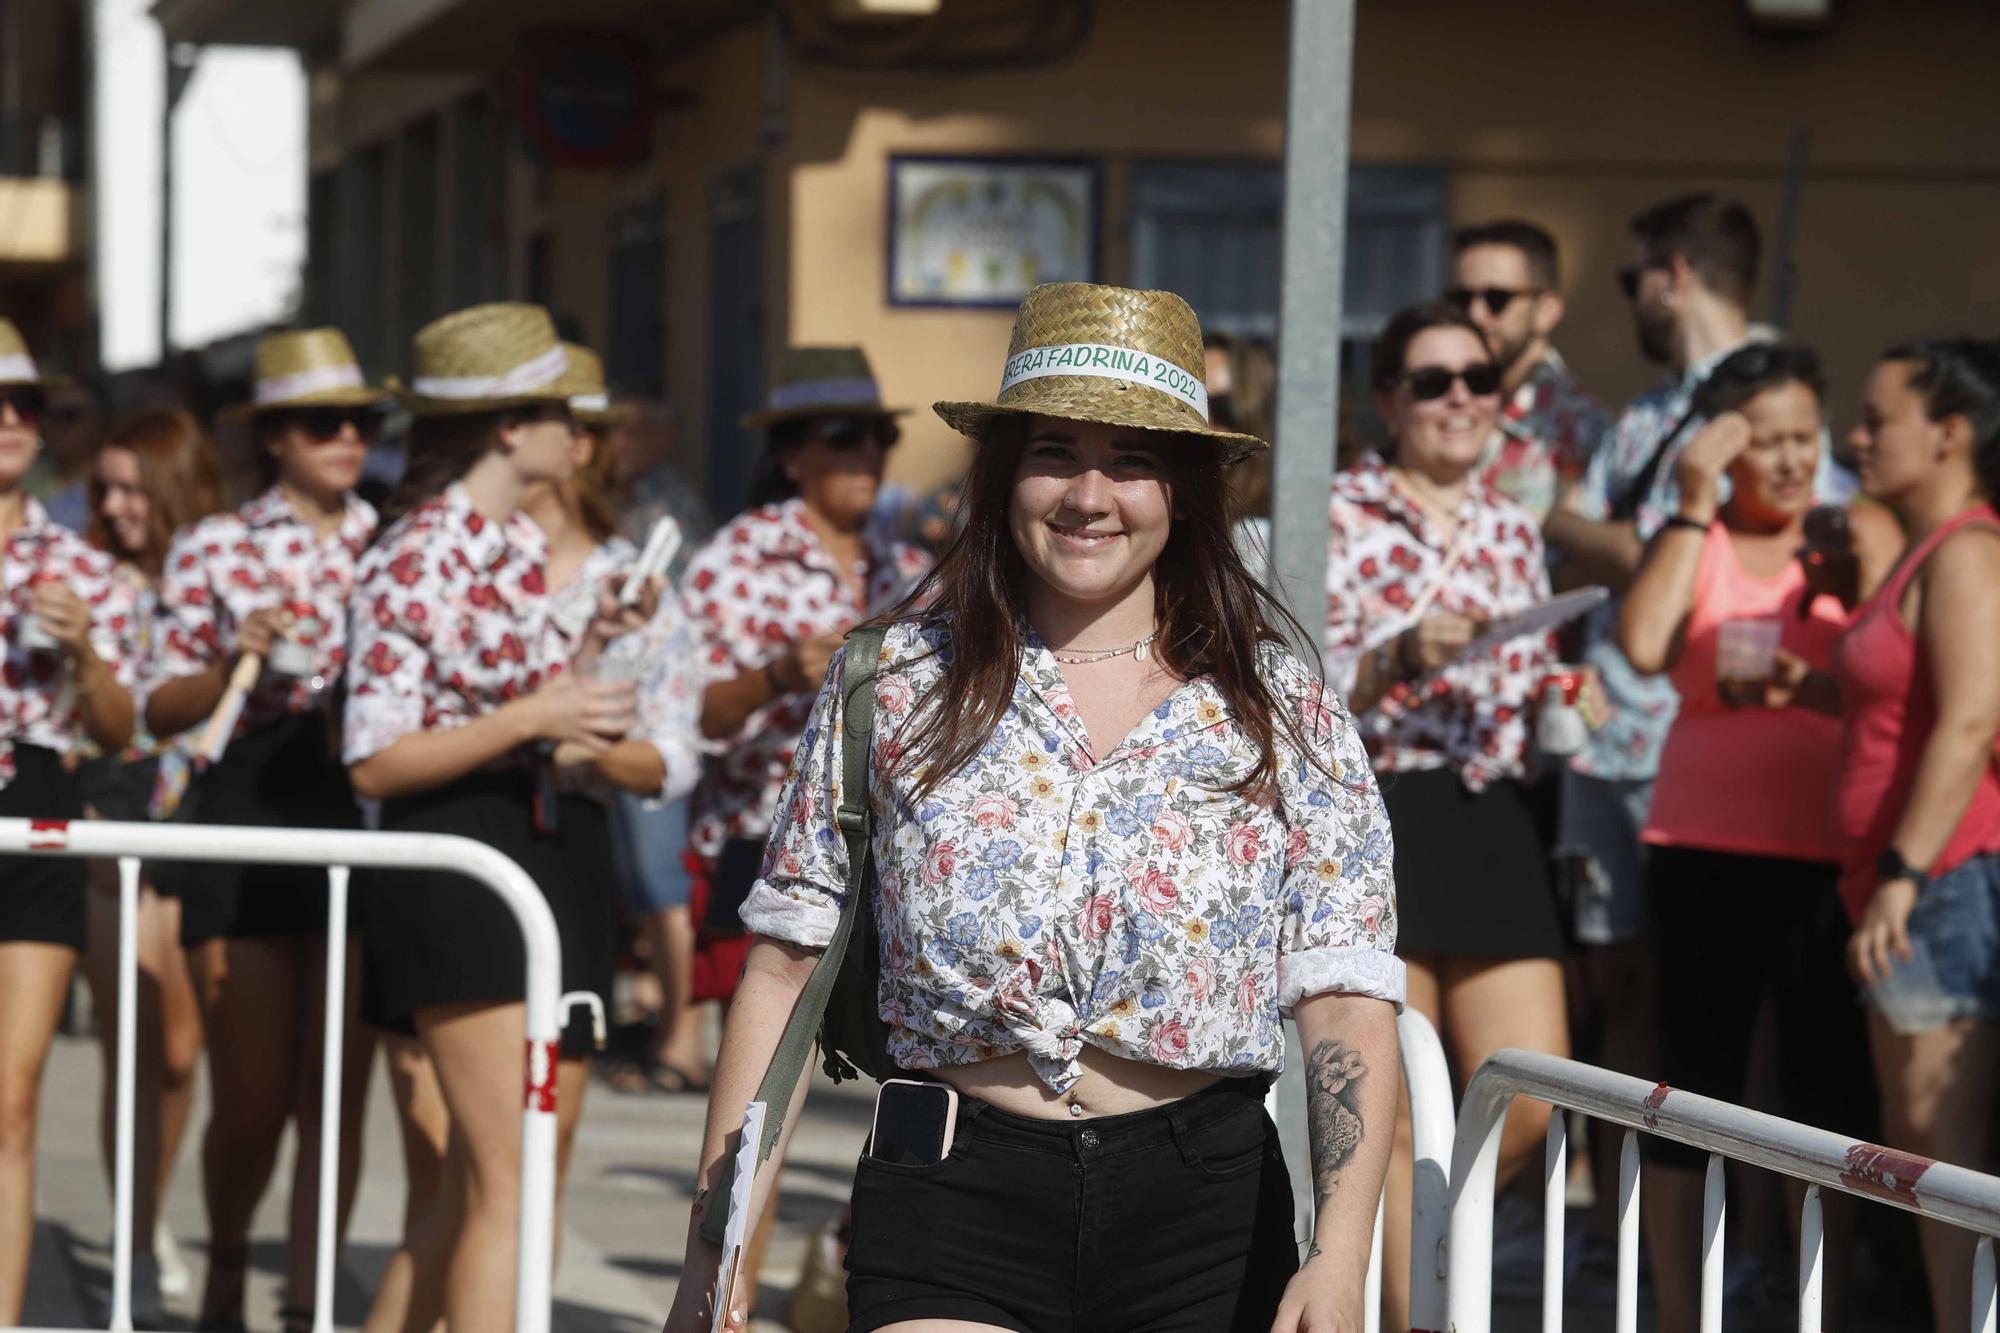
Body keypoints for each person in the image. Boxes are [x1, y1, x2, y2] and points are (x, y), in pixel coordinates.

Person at [665, 281, 1404, 1333]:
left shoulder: (1278, 704)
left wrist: (1337, 1262)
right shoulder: (893, 678)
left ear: (1186, 490)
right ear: (1004, 471)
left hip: (1205, 1216)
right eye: (1054, 450)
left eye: (1133, 459)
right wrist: (717, 1247)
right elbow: (783, 971)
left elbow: (1342, 1000)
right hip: (947, 1196)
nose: (1088, 494)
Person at [343, 304, 644, 1331]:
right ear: (509, 425)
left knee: (483, 1186)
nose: (582, 427)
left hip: (524, 842)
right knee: (502, 1182)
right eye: (562, 406)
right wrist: (539, 710)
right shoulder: (414, 552)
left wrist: (590, 651)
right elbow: (377, 756)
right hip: (454, 860)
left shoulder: (510, 543)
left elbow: (526, 708)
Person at [1616, 344, 1887, 1333]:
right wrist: (1691, 497)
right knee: (1694, 1085)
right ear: (1722, 449)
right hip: (1699, 839)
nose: (1786, 460)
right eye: (1761, 440)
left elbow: (1900, 669)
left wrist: (1807, 684)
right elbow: (1644, 647)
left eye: (1802, 438)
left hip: (1828, 846)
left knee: (1826, 1091)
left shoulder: (1852, 528)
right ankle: (1682, 1311)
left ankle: (1815, 1300)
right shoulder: (1703, 532)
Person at [1322, 300, 1564, 1331]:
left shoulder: (1513, 523)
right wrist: (1394, 659)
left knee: (1535, 1097)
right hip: (1382, 803)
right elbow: (1293, 684)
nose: (1461, 397)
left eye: (1479, 378)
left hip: (1493, 811)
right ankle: (1415, 1314)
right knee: (1400, 1106)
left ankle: (1428, 1253)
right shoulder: (1333, 510)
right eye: (1432, 380)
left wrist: (1569, 700)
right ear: (1387, 400)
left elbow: (1533, 682)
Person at [142, 328, 387, 1332]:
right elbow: (160, 704)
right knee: (248, 1097)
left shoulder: (393, 540)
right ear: (274, 436)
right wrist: (231, 659)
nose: (347, 437)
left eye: (363, 421)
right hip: (244, 802)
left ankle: (308, 1302)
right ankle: (229, 1258)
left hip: (356, 803)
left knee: (336, 1093)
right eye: (323, 421)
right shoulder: (216, 543)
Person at [1768, 339, 2000, 1333]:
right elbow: (1902, 704)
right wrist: (1814, 681)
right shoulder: (1920, 546)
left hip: (1938, 878)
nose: (1854, 437)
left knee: (1942, 1152)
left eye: (1875, 418)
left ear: (1948, 432)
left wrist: (1903, 872)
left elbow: (1967, 718)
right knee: (1917, 1143)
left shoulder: (1965, 549)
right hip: (1894, 880)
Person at [1539, 194, 1764, 1140]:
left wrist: (1597, 531)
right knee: (1615, 977)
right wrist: (1623, 536)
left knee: (1717, 992)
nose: (1630, 299)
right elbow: (1569, 536)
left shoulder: (1771, 393)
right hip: (1602, 733)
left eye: (1634, 280)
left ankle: (1744, 1238)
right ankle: (1621, 1215)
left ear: (1674, 275)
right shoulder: (1648, 415)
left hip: (1704, 746)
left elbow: (1674, 555)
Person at [678, 346, 932, 1027]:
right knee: (763, 1063)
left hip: (884, 858)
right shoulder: (735, 559)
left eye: (882, 436)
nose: (869, 455)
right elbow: (686, 717)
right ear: (791, 455)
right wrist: (781, 674)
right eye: (845, 439)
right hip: (765, 842)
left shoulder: (911, 567)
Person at [0, 319, 141, 1326]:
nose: (13, 422)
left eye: (29, 404)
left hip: (36, 795)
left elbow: (119, 728)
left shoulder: (78, 562)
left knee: (10, 1100)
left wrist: (86, 652)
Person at [76, 406, 226, 1318]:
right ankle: (135, 1232)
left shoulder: (217, 572)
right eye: (105, 488)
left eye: (134, 486)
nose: (118, 505)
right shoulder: (82, 577)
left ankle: (153, 1209)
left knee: (182, 1052)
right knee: (139, 1049)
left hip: (207, 811)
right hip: (114, 811)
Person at [1446, 219, 1613, 524]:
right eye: (1460, 300)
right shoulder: (1439, 406)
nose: (1474, 315)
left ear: (1546, 310)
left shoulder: (1581, 428)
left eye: (1497, 299)